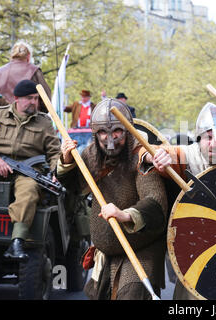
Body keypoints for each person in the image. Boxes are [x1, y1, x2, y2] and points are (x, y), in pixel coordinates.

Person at [138, 102, 216, 300]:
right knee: (190, 294)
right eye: (208, 137)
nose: (214, 143)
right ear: (199, 140)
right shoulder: (190, 155)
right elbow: (152, 150)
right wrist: (152, 157)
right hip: (201, 242)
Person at [57, 98, 167, 300]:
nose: (109, 139)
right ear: (95, 133)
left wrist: (125, 215)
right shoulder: (92, 153)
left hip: (141, 249)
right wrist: (66, 161)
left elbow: (155, 201)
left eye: (116, 131)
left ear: (127, 130)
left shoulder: (142, 155)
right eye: (103, 133)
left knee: (131, 294)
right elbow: (76, 188)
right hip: (106, 254)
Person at [0, 80, 60, 260]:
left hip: (26, 170)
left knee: (29, 191)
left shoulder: (44, 123)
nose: (34, 102)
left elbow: (55, 152)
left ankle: (17, 241)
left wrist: (56, 172)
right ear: (17, 99)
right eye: (29, 98)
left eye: (36, 99)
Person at [0, 42, 51, 112]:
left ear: (12, 56)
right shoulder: (34, 71)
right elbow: (46, 101)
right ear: (29, 56)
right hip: (25, 119)